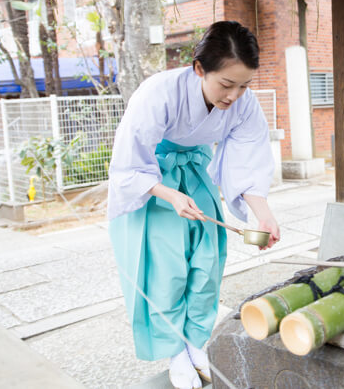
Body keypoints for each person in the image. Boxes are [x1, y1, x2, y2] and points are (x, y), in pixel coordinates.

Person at [107, 21, 280, 389]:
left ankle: (194, 341)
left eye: (244, 85)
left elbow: (246, 160)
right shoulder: (158, 92)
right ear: (199, 68)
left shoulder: (243, 104)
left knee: (207, 260)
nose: (234, 95)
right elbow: (129, 160)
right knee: (167, 268)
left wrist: (262, 215)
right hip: (155, 179)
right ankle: (175, 351)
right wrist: (169, 194)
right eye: (226, 84)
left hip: (195, 173)